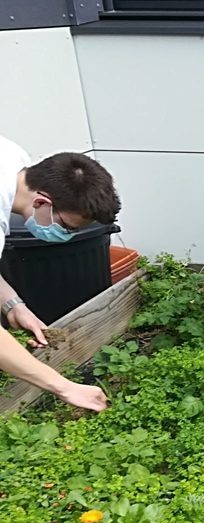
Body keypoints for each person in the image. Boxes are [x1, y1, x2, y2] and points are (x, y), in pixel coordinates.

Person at [0, 135, 120, 411]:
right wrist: (64, 387)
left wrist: (12, 304)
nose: (66, 236)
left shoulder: (13, 160)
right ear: (42, 203)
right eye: (67, 227)